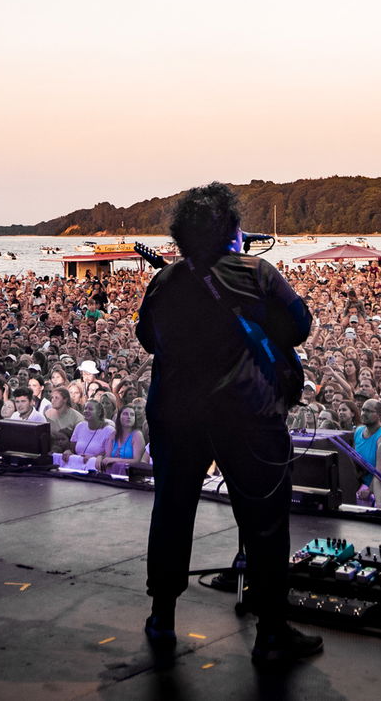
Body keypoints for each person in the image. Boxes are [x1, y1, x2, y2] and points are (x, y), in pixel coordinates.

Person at [136, 183, 320, 665]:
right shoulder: (256, 273)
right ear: (231, 230)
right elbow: (299, 327)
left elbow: (148, 339)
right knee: (263, 521)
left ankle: (162, 617)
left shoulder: (164, 282)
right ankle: (272, 631)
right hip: (246, 412)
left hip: (176, 413)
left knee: (172, 511)